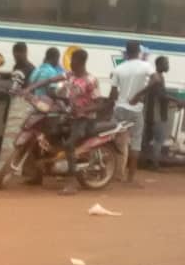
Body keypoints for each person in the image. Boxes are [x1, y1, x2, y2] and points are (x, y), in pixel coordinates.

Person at [109, 40, 152, 184]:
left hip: (120, 108)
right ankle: (130, 178)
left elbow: (113, 94)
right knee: (135, 144)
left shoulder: (119, 69)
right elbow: (157, 79)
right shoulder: (146, 66)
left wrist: (106, 105)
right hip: (136, 110)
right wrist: (139, 95)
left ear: (126, 52)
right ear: (139, 52)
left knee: (116, 141)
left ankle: (115, 174)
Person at [59, 48, 100, 196]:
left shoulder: (91, 80)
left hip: (85, 120)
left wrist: (82, 111)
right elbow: (60, 88)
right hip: (70, 116)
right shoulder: (70, 76)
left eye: (72, 60)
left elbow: (98, 104)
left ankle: (71, 184)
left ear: (80, 62)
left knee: (69, 144)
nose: (70, 63)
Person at [0, 42, 34, 168]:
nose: (16, 56)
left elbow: (25, 89)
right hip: (13, 105)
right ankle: (7, 164)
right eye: (15, 54)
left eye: (19, 53)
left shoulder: (30, 69)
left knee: (19, 136)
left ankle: (16, 165)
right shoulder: (17, 66)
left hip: (22, 107)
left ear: (25, 53)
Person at [141, 57, 178, 170]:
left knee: (146, 140)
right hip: (157, 115)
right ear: (160, 64)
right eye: (166, 64)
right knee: (158, 140)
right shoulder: (158, 78)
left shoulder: (156, 77)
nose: (168, 66)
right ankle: (154, 164)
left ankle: (143, 162)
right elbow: (162, 96)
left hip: (149, 114)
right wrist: (178, 101)